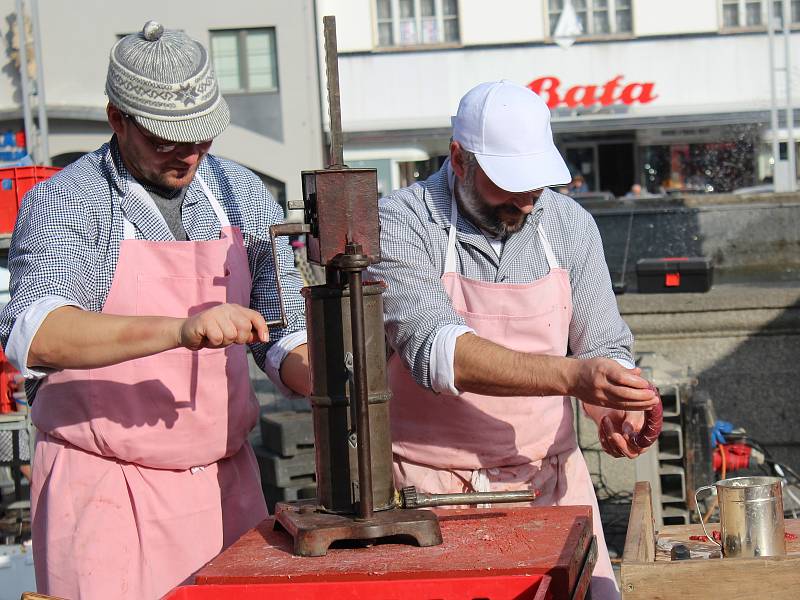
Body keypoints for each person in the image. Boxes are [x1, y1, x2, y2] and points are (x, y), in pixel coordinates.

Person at [0, 21, 310, 600]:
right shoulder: (71, 199)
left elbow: (280, 329)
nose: (189, 155)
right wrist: (180, 330)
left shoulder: (240, 193)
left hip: (225, 484)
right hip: (104, 493)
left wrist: (327, 379)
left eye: (201, 136)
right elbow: (36, 333)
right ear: (118, 119)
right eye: (168, 139)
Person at [369, 80, 659, 600]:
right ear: (458, 159)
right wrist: (575, 377)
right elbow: (436, 351)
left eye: (535, 181)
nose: (526, 199)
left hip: (550, 484)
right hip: (432, 495)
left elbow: (602, 343)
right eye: (508, 182)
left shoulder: (569, 223)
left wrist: (612, 406)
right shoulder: (402, 221)